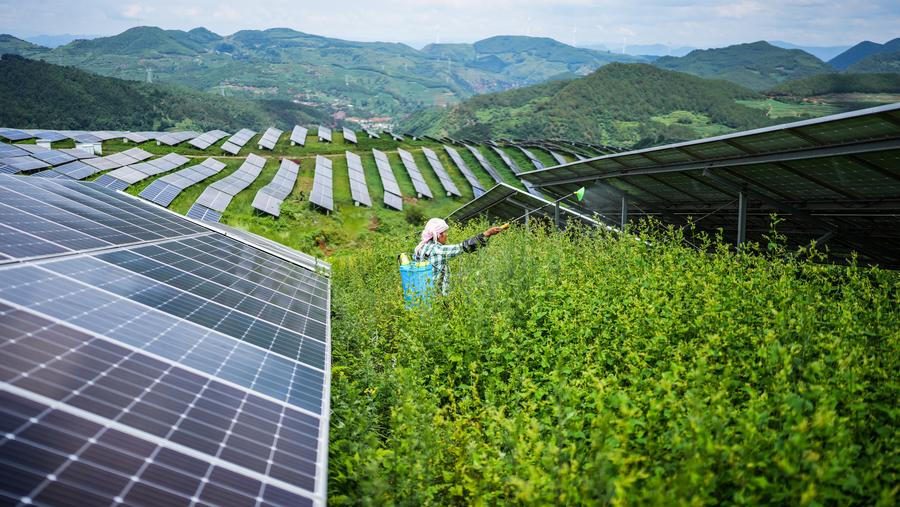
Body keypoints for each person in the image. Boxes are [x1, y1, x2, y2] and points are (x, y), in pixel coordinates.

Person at [413, 218, 506, 295]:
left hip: (422, 294)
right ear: (439, 235)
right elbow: (464, 247)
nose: (447, 235)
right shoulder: (438, 250)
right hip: (436, 297)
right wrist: (487, 233)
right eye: (445, 232)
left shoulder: (420, 248)